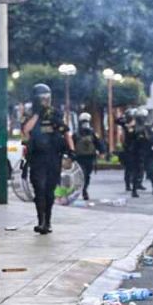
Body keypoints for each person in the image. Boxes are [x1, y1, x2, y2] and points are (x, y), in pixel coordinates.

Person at [22, 83, 70, 234]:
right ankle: (40, 220)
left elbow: (65, 132)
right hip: (37, 159)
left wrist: (71, 152)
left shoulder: (55, 113)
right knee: (39, 189)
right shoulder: (31, 115)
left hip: (53, 158)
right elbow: (26, 130)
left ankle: (47, 221)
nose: (45, 101)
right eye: (42, 99)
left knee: (49, 191)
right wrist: (37, 114)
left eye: (47, 98)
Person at [71, 112, 101, 201]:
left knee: (86, 175)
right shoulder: (77, 134)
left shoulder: (90, 133)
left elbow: (98, 143)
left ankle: (84, 189)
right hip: (82, 158)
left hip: (87, 157)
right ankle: (82, 190)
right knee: (84, 175)